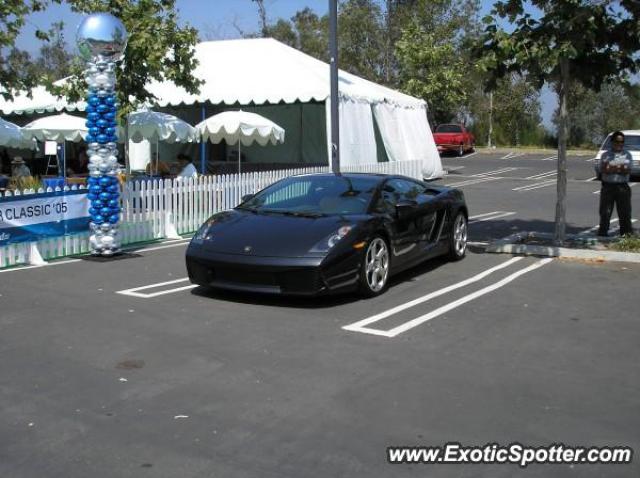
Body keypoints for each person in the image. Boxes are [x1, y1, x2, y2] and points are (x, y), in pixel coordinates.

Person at [597, 131, 633, 236]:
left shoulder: (627, 154)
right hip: (608, 187)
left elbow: (627, 170)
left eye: (622, 142)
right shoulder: (605, 155)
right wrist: (620, 167)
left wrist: (611, 167)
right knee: (605, 213)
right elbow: (604, 169)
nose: (619, 144)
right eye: (617, 141)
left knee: (625, 213)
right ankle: (602, 234)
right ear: (612, 142)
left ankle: (626, 236)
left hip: (623, 187)